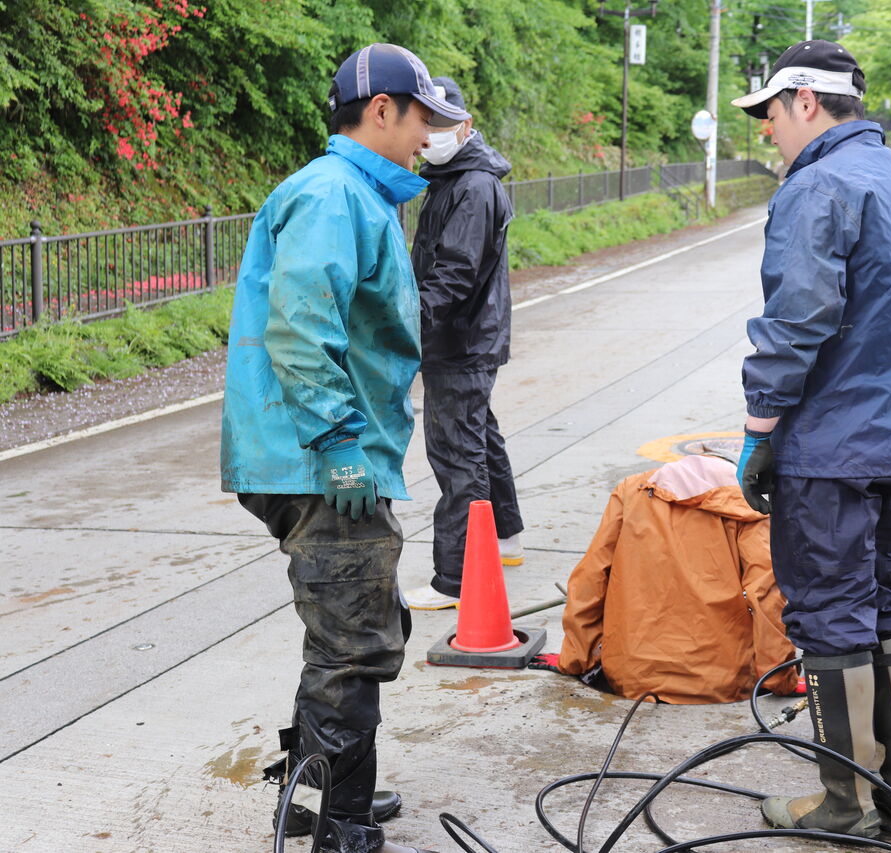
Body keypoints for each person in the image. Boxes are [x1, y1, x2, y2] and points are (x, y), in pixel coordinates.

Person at [220, 42, 468, 853]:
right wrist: (336, 441)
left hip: (326, 451)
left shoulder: (357, 193)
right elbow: (300, 324)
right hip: (321, 459)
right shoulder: (333, 195)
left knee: (344, 628)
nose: (428, 135)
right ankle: (339, 824)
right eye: (422, 117)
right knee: (356, 639)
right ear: (382, 110)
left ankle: (316, 794)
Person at [730, 40, 891, 838]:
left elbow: (797, 319)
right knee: (884, 605)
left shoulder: (818, 185)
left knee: (829, 613)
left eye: (770, 113)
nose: (767, 130)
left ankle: (846, 803)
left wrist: (759, 429)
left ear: (806, 101)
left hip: (832, 448)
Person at [401, 76, 524, 611]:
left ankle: (455, 577)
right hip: (470, 336)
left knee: (457, 452)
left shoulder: (471, 186)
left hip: (461, 340)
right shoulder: (455, 179)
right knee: (478, 438)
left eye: (444, 124)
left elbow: (453, 273)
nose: (432, 134)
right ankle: (506, 538)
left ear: (466, 125)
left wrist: (406, 325)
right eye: (426, 123)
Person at [552, 453, 798, 703]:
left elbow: (590, 579)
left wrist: (576, 658)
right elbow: (766, 596)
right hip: (720, 682)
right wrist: (779, 678)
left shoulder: (631, 491)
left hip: (631, 675)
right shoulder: (749, 506)